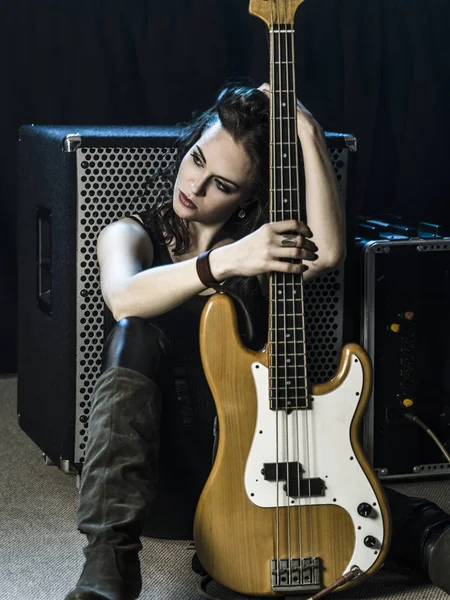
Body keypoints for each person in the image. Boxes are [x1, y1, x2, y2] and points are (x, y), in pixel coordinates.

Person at [64, 84, 450, 600]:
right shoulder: (131, 233)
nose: (195, 186)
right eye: (196, 159)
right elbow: (123, 298)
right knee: (133, 333)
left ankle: (430, 539)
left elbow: (330, 250)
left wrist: (308, 131)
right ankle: (108, 567)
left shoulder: (259, 249)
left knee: (374, 505)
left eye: (221, 183)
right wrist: (225, 261)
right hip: (158, 480)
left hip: (255, 464)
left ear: (247, 196)